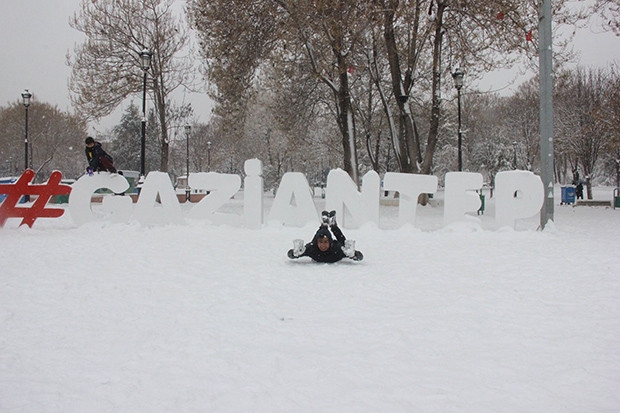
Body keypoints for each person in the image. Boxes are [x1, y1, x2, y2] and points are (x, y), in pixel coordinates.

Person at [288, 210, 362, 262]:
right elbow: (290, 254)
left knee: (343, 243)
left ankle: (332, 226)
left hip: (333, 250)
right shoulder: (312, 249)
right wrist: (294, 253)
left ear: (330, 242)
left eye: (326, 242)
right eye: (321, 242)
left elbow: (360, 257)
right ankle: (324, 225)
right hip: (315, 247)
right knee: (314, 242)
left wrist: (353, 255)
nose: (323, 245)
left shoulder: (337, 249)